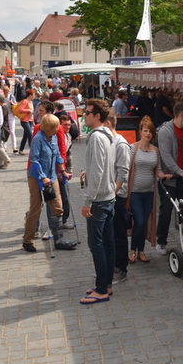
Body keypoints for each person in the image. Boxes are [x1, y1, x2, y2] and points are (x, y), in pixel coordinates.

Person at [79, 99, 116, 304]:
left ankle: (102, 289)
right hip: (108, 198)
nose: (84, 115)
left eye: (88, 112)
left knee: (97, 245)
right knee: (107, 244)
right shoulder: (108, 135)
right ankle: (105, 284)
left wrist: (88, 201)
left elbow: (98, 172)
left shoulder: (97, 138)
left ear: (97, 117)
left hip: (100, 200)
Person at [22, 113, 76, 253]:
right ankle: (27, 240)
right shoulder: (38, 139)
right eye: (56, 126)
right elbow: (34, 160)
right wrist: (42, 177)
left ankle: (59, 239)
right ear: (49, 127)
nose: (59, 128)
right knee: (36, 208)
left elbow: (58, 155)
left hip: (51, 176)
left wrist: (63, 171)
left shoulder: (52, 138)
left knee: (58, 207)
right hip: (37, 178)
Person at [126, 116, 169, 264]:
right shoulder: (133, 148)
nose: (148, 134)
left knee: (144, 222)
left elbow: (159, 171)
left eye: (150, 132)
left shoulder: (155, 150)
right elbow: (126, 169)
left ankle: (141, 251)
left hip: (150, 192)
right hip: (135, 192)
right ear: (140, 132)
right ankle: (132, 250)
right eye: (145, 131)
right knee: (139, 220)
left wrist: (167, 175)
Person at [156, 101, 183, 255]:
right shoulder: (166, 131)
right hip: (170, 179)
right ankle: (161, 242)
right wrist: (179, 171)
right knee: (166, 210)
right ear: (181, 114)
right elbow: (166, 156)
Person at [105, 111, 131, 283]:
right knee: (111, 233)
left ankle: (121, 268)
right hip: (109, 194)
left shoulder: (121, 144)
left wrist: (113, 192)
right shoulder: (108, 142)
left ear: (107, 123)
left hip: (117, 196)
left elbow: (123, 173)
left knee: (119, 233)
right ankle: (113, 265)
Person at [16, 88, 36, 155]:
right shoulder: (25, 101)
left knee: (26, 136)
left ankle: (21, 149)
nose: (34, 96)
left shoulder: (31, 102)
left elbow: (32, 113)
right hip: (24, 121)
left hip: (29, 121)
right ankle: (33, 151)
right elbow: (20, 109)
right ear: (30, 95)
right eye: (33, 95)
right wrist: (28, 110)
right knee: (30, 135)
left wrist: (33, 122)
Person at [0, 93, 11, 169]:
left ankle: (6, 159)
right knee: (0, 144)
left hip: (2, 128)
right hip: (3, 127)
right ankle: (1, 163)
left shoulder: (3, 108)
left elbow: (1, 119)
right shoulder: (3, 107)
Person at [4, 84, 19, 155]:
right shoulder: (2, 97)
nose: (6, 92)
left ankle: (14, 147)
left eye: (7, 91)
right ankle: (4, 147)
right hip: (4, 116)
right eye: (5, 91)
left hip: (11, 115)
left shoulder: (11, 96)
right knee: (5, 131)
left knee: (12, 132)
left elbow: (16, 105)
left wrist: (12, 103)